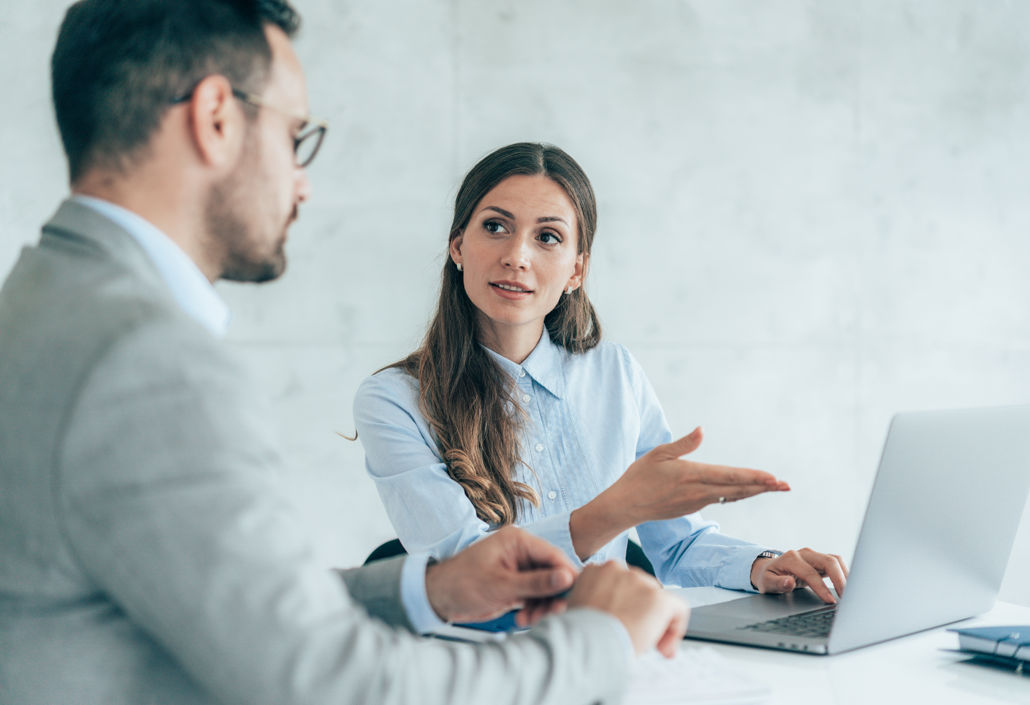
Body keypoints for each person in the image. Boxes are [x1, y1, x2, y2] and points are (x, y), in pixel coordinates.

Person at [0, 3, 689, 704]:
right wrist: (597, 641)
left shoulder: (41, 304)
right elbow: (332, 681)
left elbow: (224, 599)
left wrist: (431, 587)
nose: (302, 182)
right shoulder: (146, 359)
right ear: (214, 118)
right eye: (295, 136)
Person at [354, 142, 849, 605]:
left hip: (613, 649)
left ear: (576, 270)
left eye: (548, 237)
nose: (517, 256)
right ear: (458, 246)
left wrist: (763, 566)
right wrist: (616, 510)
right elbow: (464, 571)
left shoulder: (616, 374)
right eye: (496, 227)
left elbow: (678, 546)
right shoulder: (394, 400)